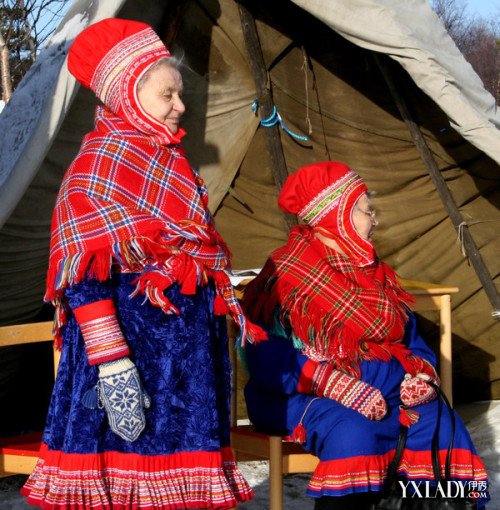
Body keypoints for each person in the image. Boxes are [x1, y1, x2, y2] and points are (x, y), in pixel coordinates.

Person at [22, 17, 264, 509]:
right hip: (132, 365)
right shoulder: (93, 173)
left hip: (187, 367)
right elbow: (82, 276)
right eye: (168, 94)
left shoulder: (173, 166)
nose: (181, 105)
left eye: (179, 94)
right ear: (128, 94)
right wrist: (113, 365)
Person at [242, 161, 489, 510]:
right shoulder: (285, 276)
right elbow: (264, 355)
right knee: (354, 433)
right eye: (366, 210)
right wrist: (335, 384)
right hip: (299, 396)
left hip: (384, 391)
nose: (375, 220)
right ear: (336, 214)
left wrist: (421, 374)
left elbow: (411, 342)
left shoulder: (376, 274)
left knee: (440, 424)